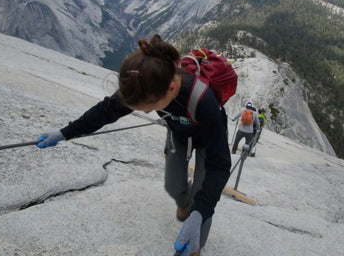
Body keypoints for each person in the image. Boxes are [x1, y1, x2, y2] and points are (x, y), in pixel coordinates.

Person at [36, 34, 231, 256]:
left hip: (208, 139)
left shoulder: (203, 100)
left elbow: (220, 165)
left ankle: (194, 247)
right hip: (179, 132)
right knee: (173, 186)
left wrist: (200, 212)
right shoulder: (146, 82)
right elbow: (109, 110)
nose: (147, 111)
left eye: (150, 107)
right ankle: (185, 202)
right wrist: (65, 132)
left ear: (171, 87)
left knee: (202, 199)